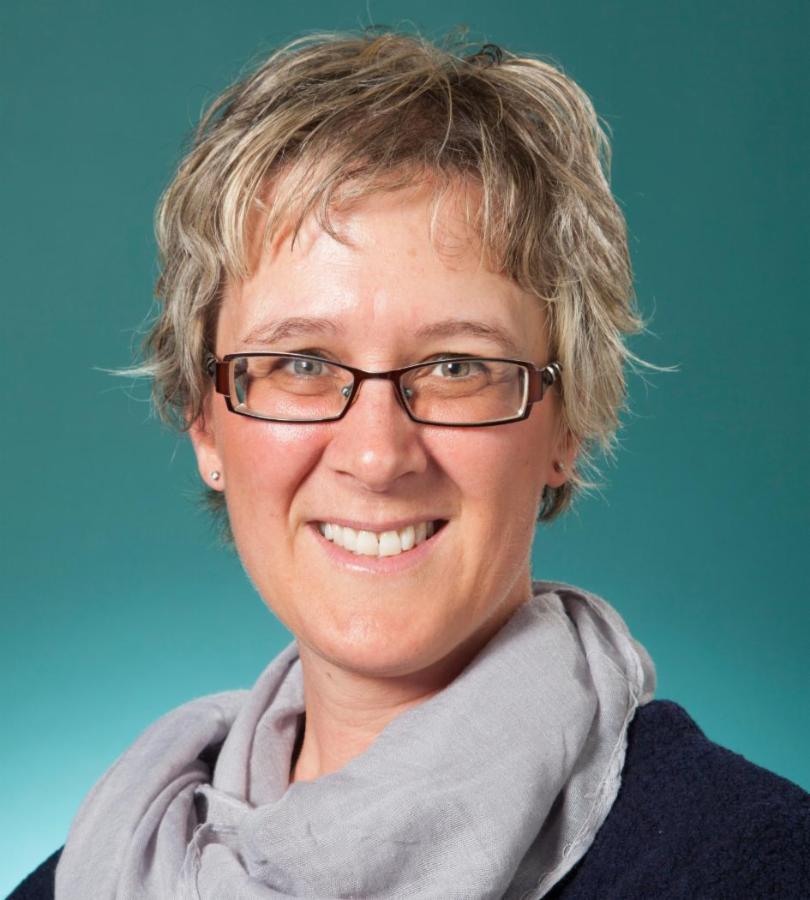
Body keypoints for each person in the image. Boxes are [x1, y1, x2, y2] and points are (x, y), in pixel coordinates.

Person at [10, 30, 808, 900]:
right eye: (302, 363)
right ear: (206, 424)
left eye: (457, 367)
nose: (377, 454)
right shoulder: (94, 877)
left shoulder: (751, 865)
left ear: (567, 421)